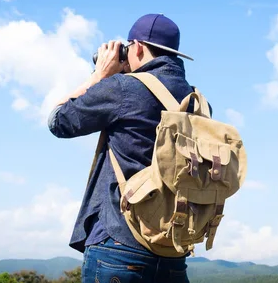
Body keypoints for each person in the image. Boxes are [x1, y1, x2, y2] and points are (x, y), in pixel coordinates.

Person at [48, 14, 204, 283]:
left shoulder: (122, 88)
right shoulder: (197, 101)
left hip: (119, 244)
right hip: (172, 250)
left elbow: (59, 120)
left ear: (139, 47)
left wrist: (99, 75)